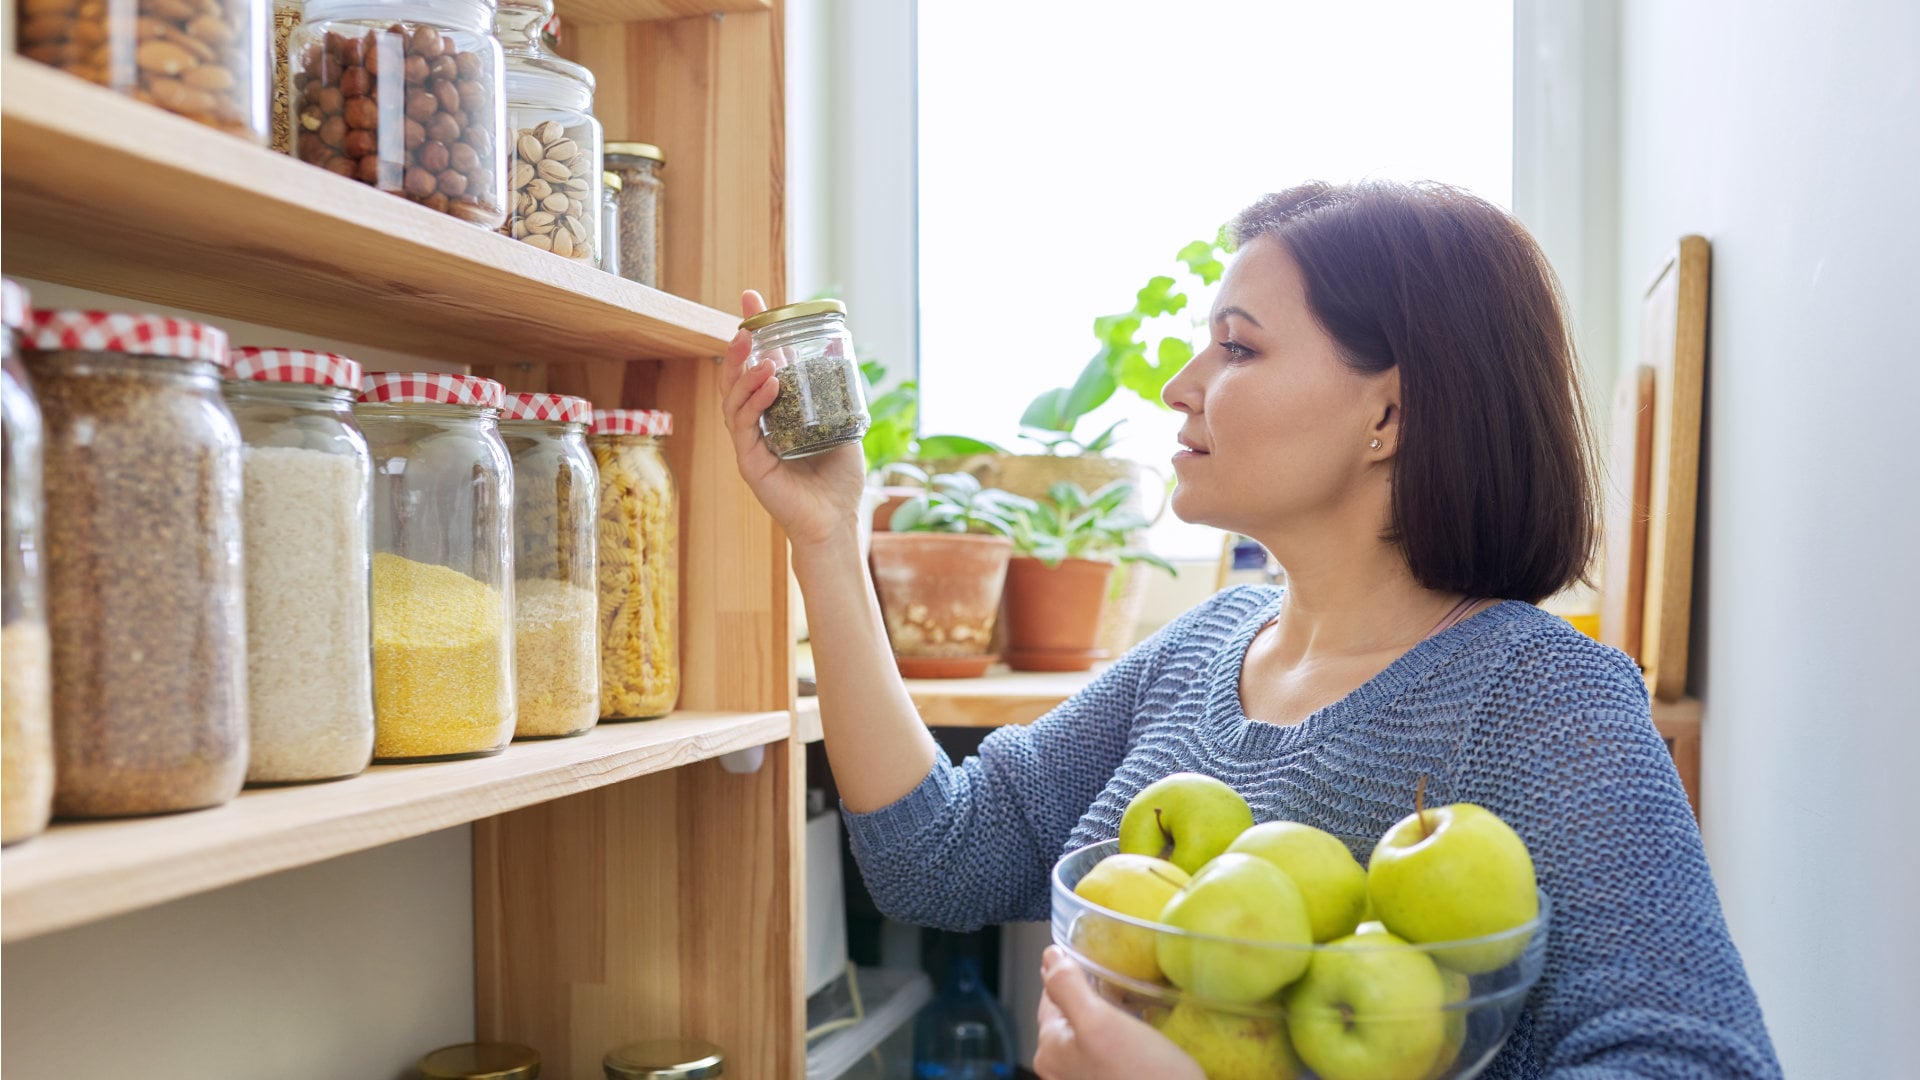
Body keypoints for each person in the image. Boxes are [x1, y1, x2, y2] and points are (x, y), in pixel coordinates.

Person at [720, 180, 1781, 1079]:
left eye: (1237, 348)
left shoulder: (1544, 698)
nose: (1182, 388)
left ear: (1389, 417)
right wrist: (827, 535)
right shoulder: (1201, 648)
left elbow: (1697, 1062)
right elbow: (938, 860)